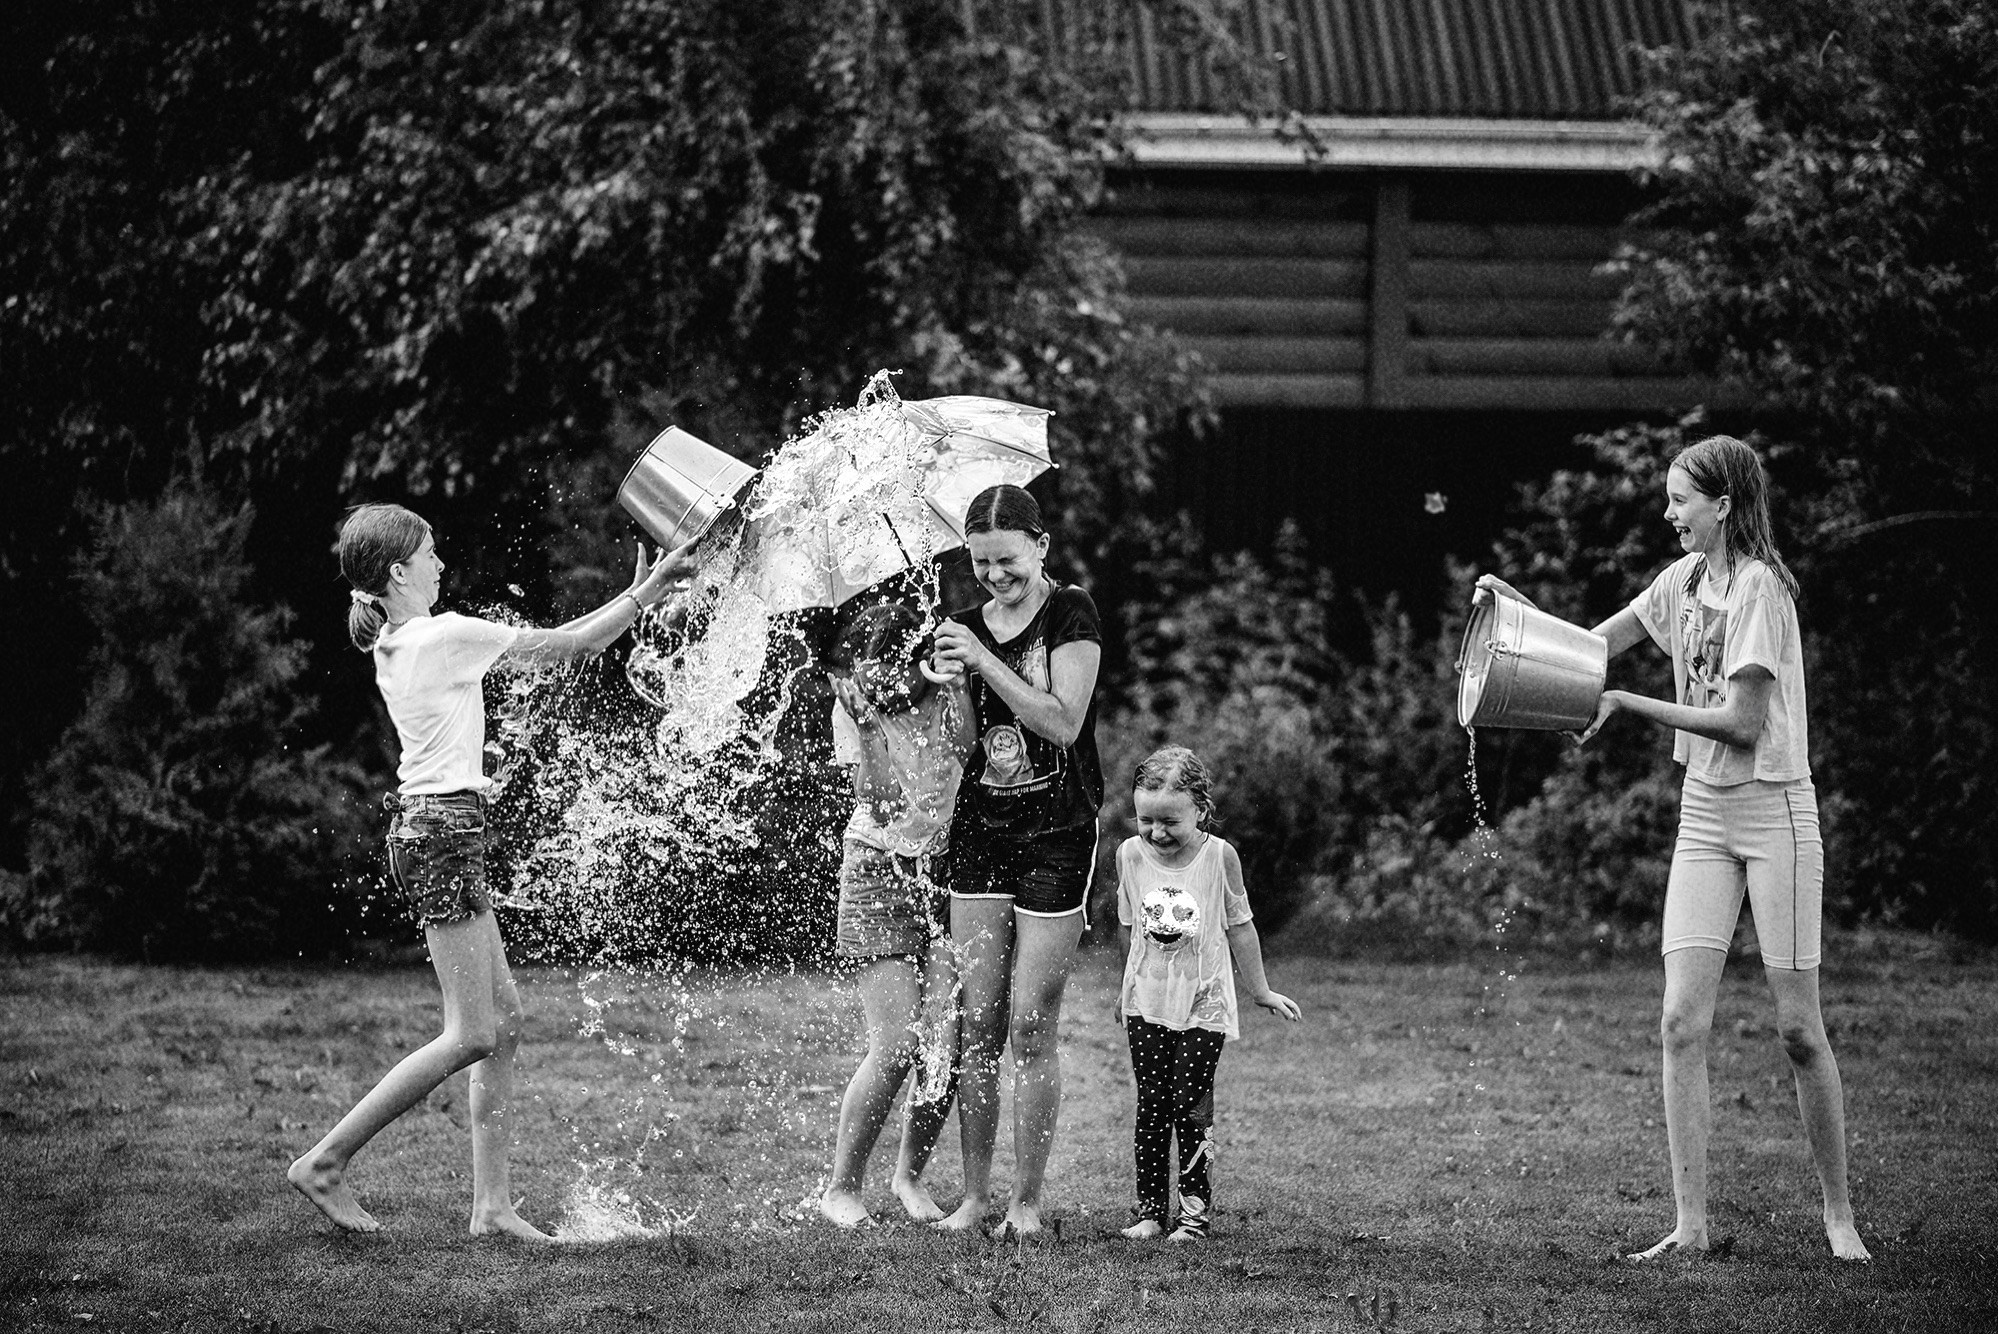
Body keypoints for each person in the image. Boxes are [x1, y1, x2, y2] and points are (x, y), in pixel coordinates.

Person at [1478, 434, 1869, 1263]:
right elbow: (1591, 649)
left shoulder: (1761, 591)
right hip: (1704, 816)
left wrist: (1630, 703)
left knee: (1798, 1031)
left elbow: (1741, 722)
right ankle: (1690, 1227)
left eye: (1680, 500)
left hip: (1776, 817)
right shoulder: (1681, 583)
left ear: (1723, 504)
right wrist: (1515, 615)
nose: (1669, 513)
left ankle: (1839, 1216)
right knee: (1679, 1021)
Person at [288, 502, 693, 1238]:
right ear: (398, 571)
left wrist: (637, 597)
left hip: (437, 831)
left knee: (503, 1023)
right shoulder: (441, 636)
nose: (442, 564)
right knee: (471, 1032)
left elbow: (564, 641)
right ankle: (325, 1160)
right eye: (432, 553)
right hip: (440, 833)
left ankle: (493, 1206)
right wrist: (650, 590)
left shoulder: (402, 640)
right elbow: (568, 648)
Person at [923, 484, 1103, 1237]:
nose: (994, 576)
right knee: (978, 1021)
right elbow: (966, 750)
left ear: (1041, 548)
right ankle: (973, 1198)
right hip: (981, 835)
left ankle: (1026, 1204)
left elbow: (1061, 722)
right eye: (979, 562)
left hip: (1058, 831)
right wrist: (950, 686)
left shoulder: (1072, 612)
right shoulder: (962, 627)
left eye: (1007, 560)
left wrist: (985, 664)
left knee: (1030, 1023)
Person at [817, 601, 976, 1228]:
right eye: (870, 667)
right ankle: (841, 1188)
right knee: (895, 1043)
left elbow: (967, 752)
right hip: (877, 869)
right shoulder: (855, 706)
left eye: (892, 668)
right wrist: (867, 724)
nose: (882, 680)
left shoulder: (945, 695)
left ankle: (908, 1176)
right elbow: (881, 803)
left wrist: (957, 687)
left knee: (945, 1044)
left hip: (943, 873)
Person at [1114, 745, 1300, 1242]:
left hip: (1204, 1004)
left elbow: (1240, 926)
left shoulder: (1220, 857)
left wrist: (1259, 990)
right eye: (1145, 819)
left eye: (1170, 820)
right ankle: (1151, 1213)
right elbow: (1132, 930)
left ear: (1200, 807)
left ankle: (1193, 1217)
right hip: (1147, 1003)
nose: (1156, 832)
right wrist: (1124, 988)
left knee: (1190, 1103)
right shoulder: (1129, 856)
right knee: (1151, 1104)